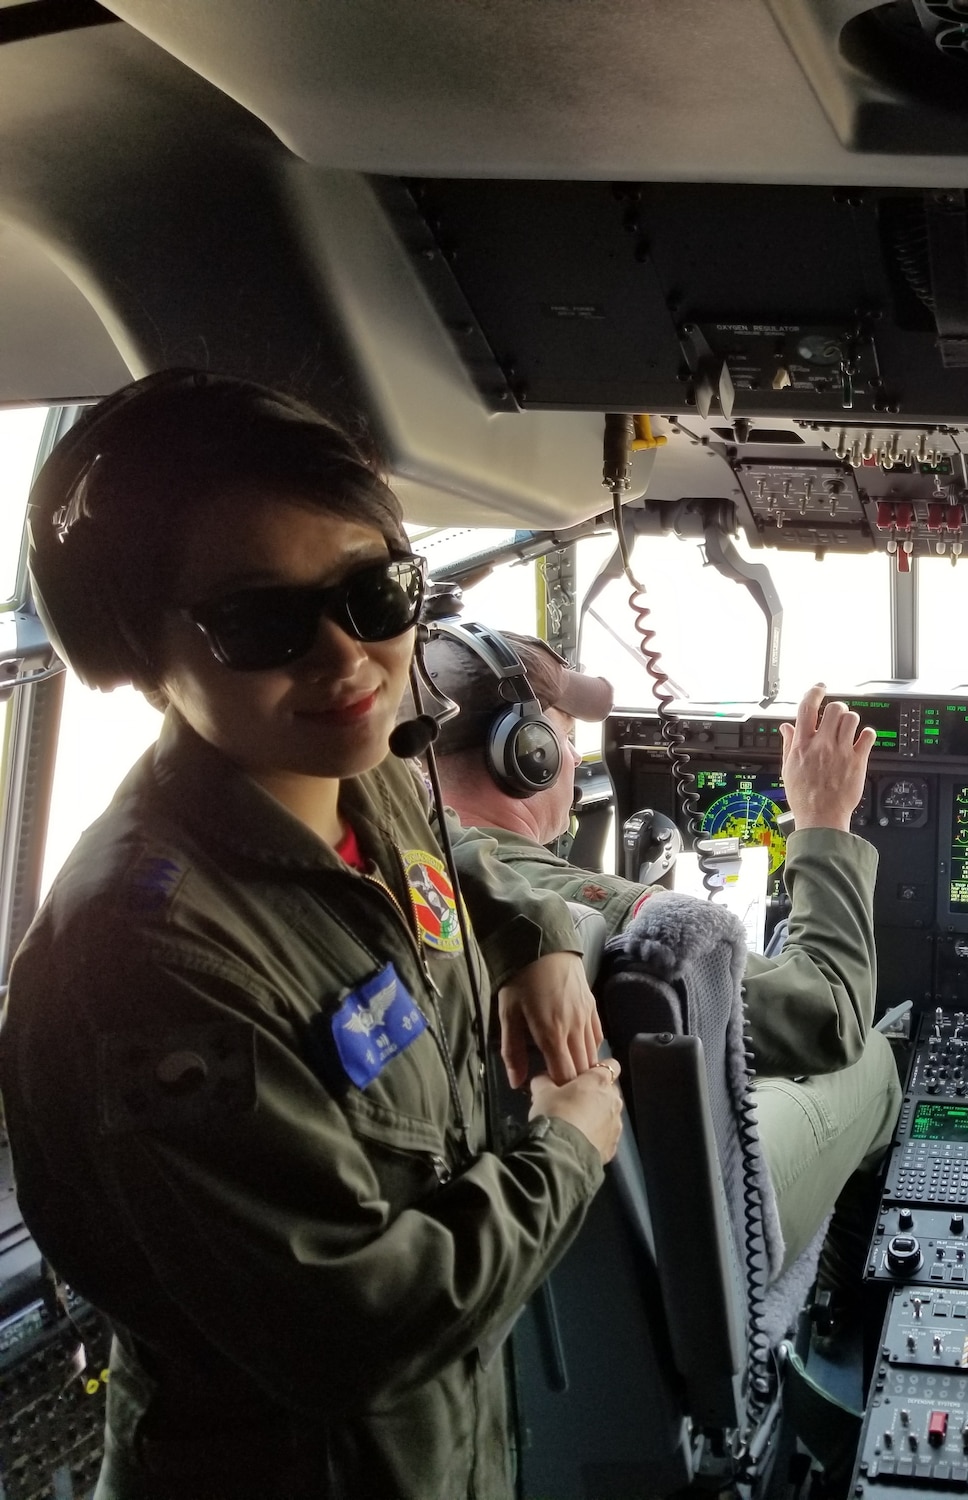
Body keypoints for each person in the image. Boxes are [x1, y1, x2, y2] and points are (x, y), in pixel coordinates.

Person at [0, 370, 624, 1499]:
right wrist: (568, 1145)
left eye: (376, 593)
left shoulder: (354, 777)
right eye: (258, 621)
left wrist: (538, 935)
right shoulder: (148, 962)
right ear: (143, 651)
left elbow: (444, 878)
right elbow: (351, 1326)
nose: (346, 660)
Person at [422, 628, 901, 1272]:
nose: (571, 760)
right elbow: (828, 1018)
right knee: (868, 1056)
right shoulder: (608, 916)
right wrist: (823, 821)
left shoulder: (388, 870)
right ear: (527, 754)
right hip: (697, 1236)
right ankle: (841, 1302)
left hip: (527, 1238)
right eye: (567, 739)